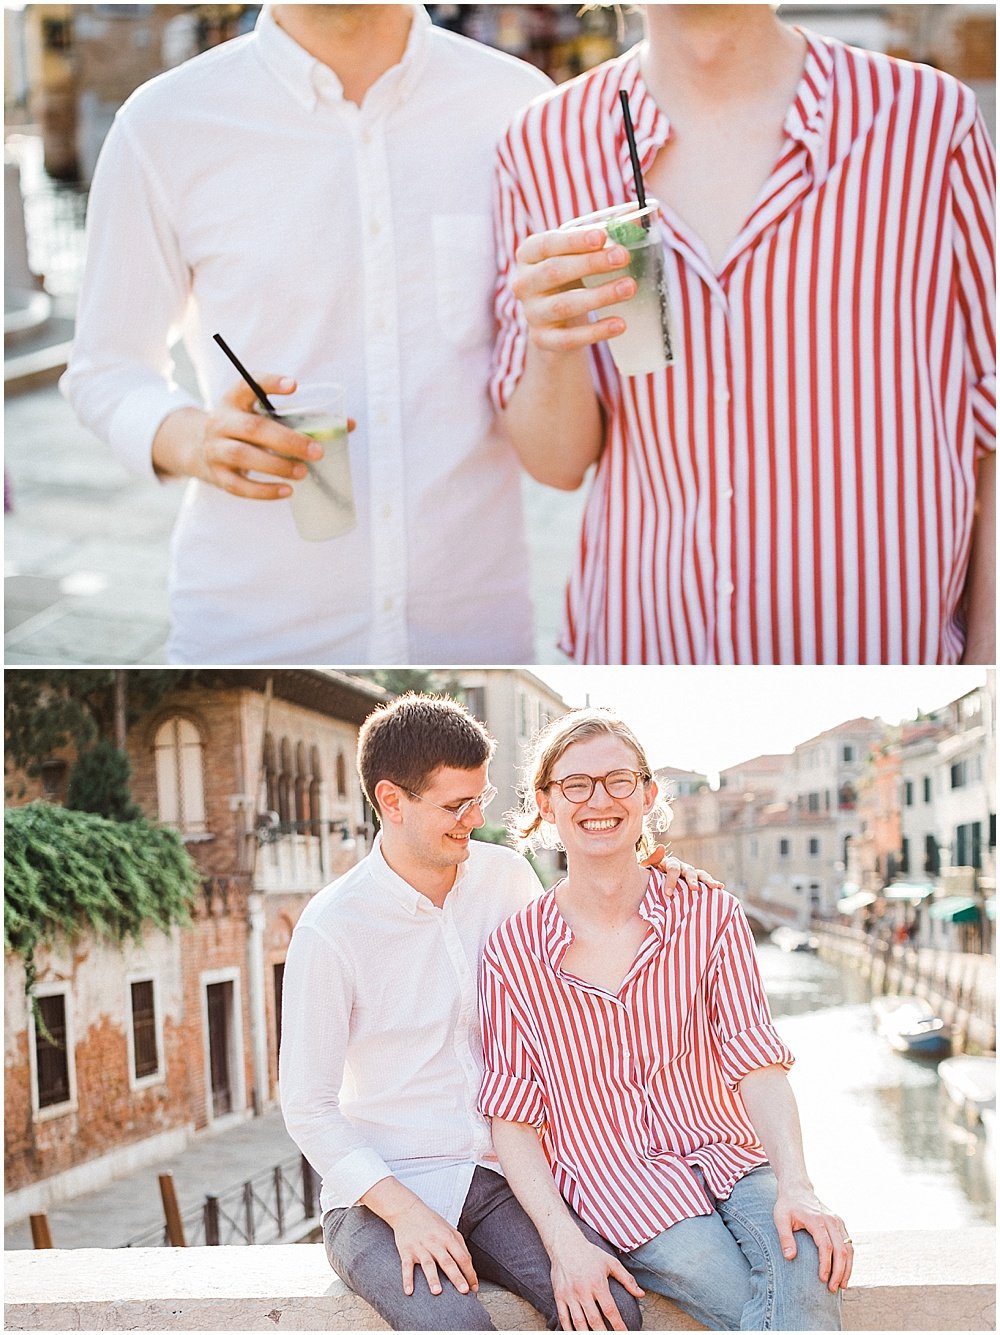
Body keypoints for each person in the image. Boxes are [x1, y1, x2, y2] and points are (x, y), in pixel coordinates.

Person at [492, 3, 996, 666]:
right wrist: (552, 342)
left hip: (888, 651)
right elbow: (555, 464)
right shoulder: (543, 144)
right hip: (644, 650)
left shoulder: (929, 123)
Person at [62, 5, 550, 664]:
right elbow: (105, 368)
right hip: (250, 631)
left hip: (476, 621)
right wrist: (194, 439)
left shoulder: (523, 112)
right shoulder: (162, 127)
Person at [280, 694, 719, 1331]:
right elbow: (307, 1106)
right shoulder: (330, 929)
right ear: (392, 801)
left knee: (610, 1311)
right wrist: (406, 1214)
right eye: (455, 805)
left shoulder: (507, 878)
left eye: (480, 798)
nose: (475, 819)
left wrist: (648, 873)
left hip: (499, 1176)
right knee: (455, 1325)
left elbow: (582, 955)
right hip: (379, 1194)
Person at [479, 708, 850, 1331]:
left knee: (810, 1257)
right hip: (621, 1189)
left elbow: (757, 1061)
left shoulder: (710, 915)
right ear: (545, 803)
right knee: (747, 1299)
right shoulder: (513, 952)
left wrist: (797, 1184)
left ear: (647, 795)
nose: (600, 800)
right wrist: (565, 1245)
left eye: (618, 780)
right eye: (575, 785)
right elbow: (513, 1122)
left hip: (734, 1158)